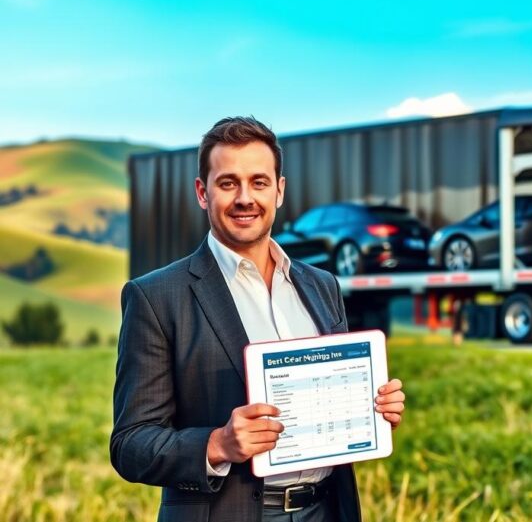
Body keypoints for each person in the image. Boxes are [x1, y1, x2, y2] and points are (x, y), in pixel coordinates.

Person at [110, 117, 405, 521]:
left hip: (326, 510)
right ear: (203, 192)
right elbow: (130, 444)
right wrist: (217, 444)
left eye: (259, 182)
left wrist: (373, 407)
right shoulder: (157, 297)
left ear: (279, 191)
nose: (245, 197)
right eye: (228, 183)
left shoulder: (322, 285)